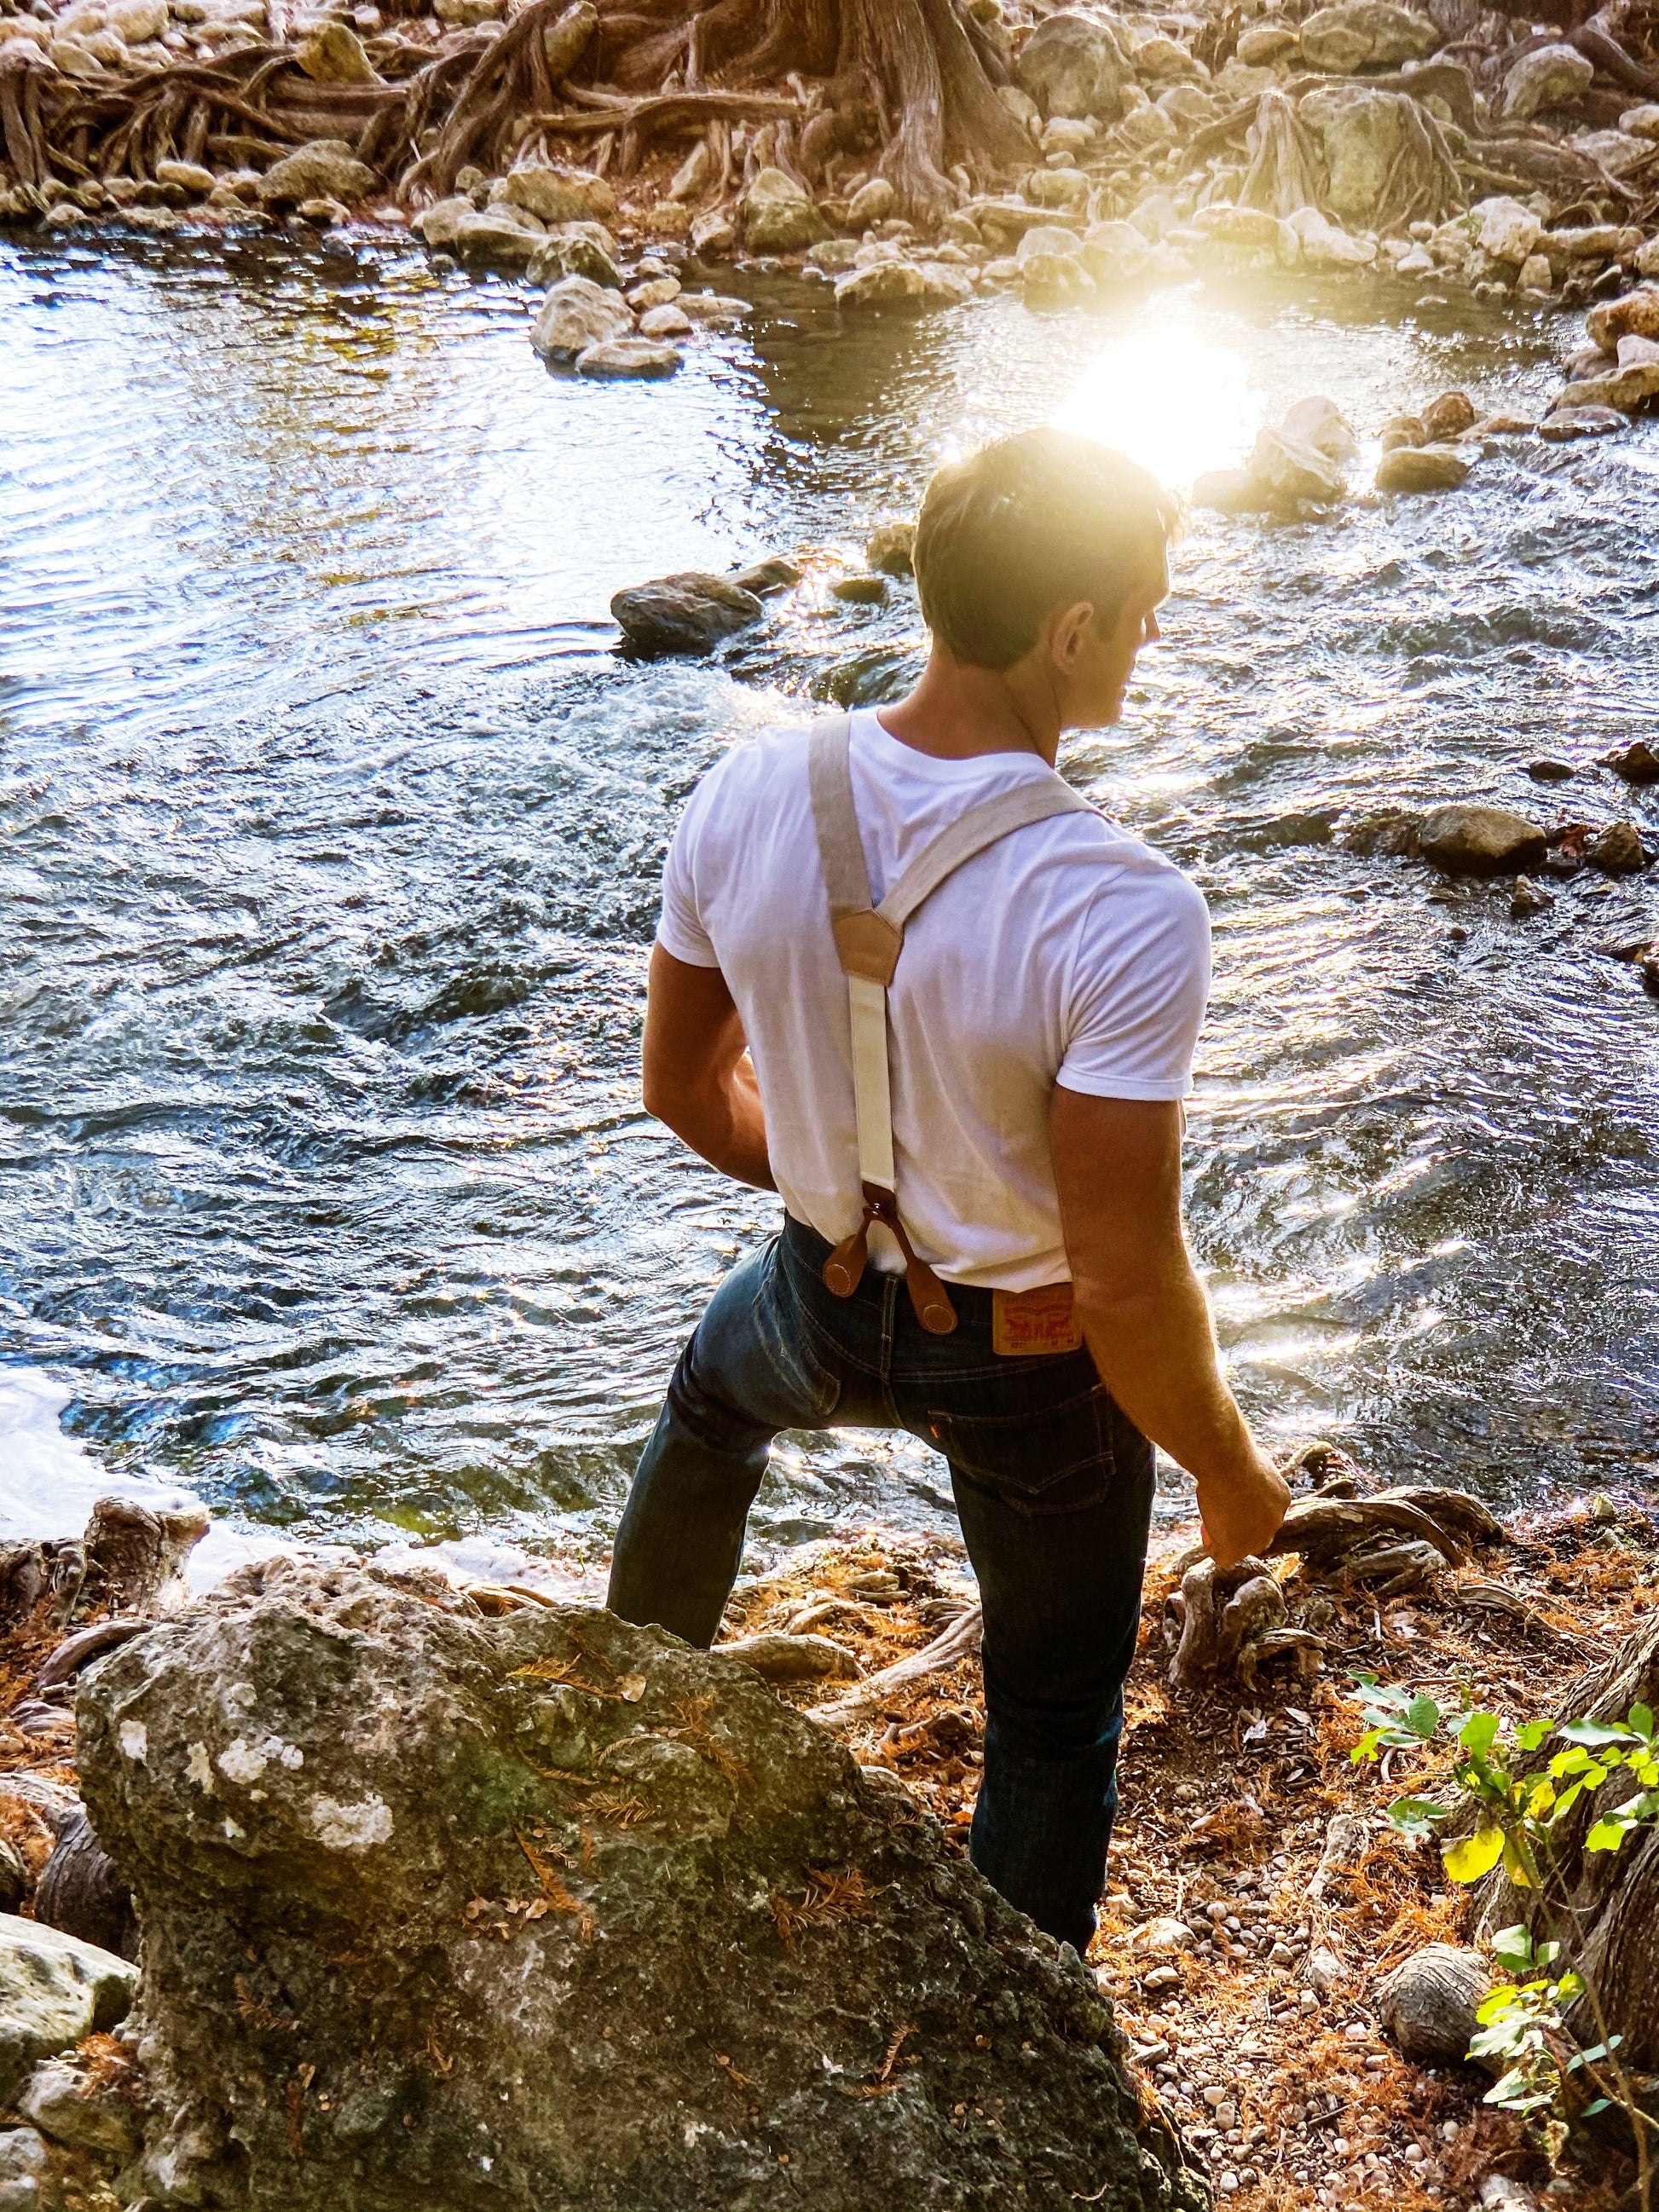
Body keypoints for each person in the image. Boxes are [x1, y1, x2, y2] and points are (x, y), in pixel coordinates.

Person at [606, 426, 1290, 1956]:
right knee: (1051, 1721)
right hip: (1034, 1366)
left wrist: (825, 1206)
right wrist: (1230, 1477)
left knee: (711, 1409)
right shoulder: (1121, 906)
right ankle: (1022, 2037)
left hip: (812, 1298)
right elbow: (1122, 1279)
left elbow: (676, 1089)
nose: (1157, 629)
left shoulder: (741, 795)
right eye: (1148, 602)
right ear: (1070, 633)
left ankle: (620, 1729)